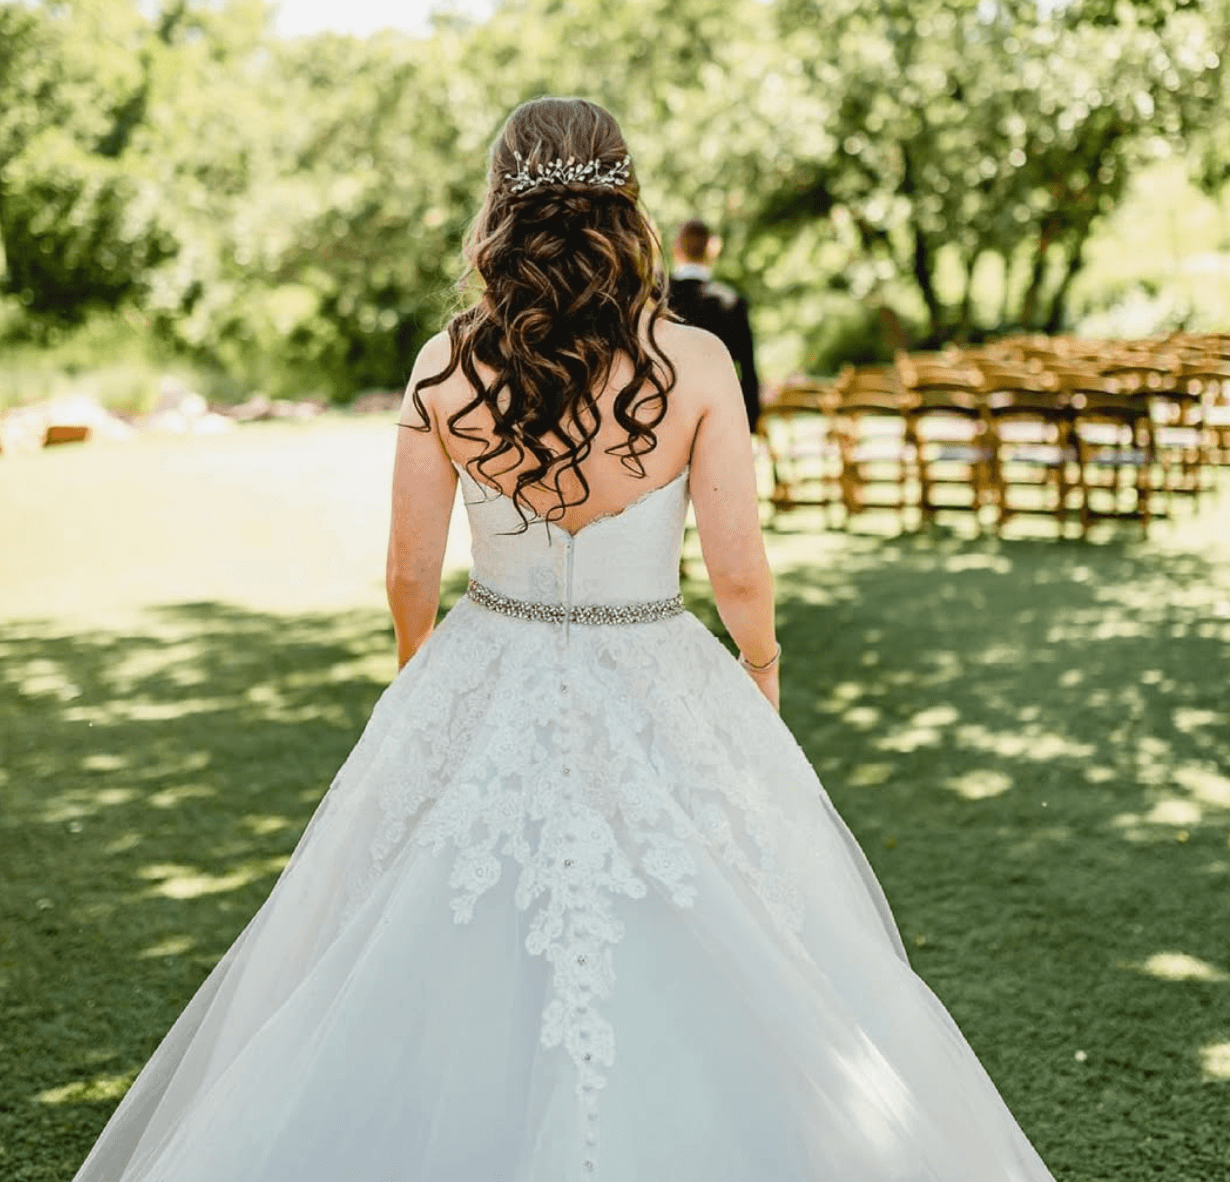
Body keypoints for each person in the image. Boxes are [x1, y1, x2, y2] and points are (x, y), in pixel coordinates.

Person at [71, 97, 1056, 1181]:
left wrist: (420, 674)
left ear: (499, 205)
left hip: (491, 652)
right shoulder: (697, 364)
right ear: (626, 208)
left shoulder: (444, 369)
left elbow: (409, 569)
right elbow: (736, 568)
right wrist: (760, 672)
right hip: (659, 660)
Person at [669, 218, 761, 431]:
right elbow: (747, 367)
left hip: (667, 415)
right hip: (719, 415)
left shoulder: (656, 298)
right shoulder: (732, 302)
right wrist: (750, 421)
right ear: (713, 249)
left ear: (676, 248)